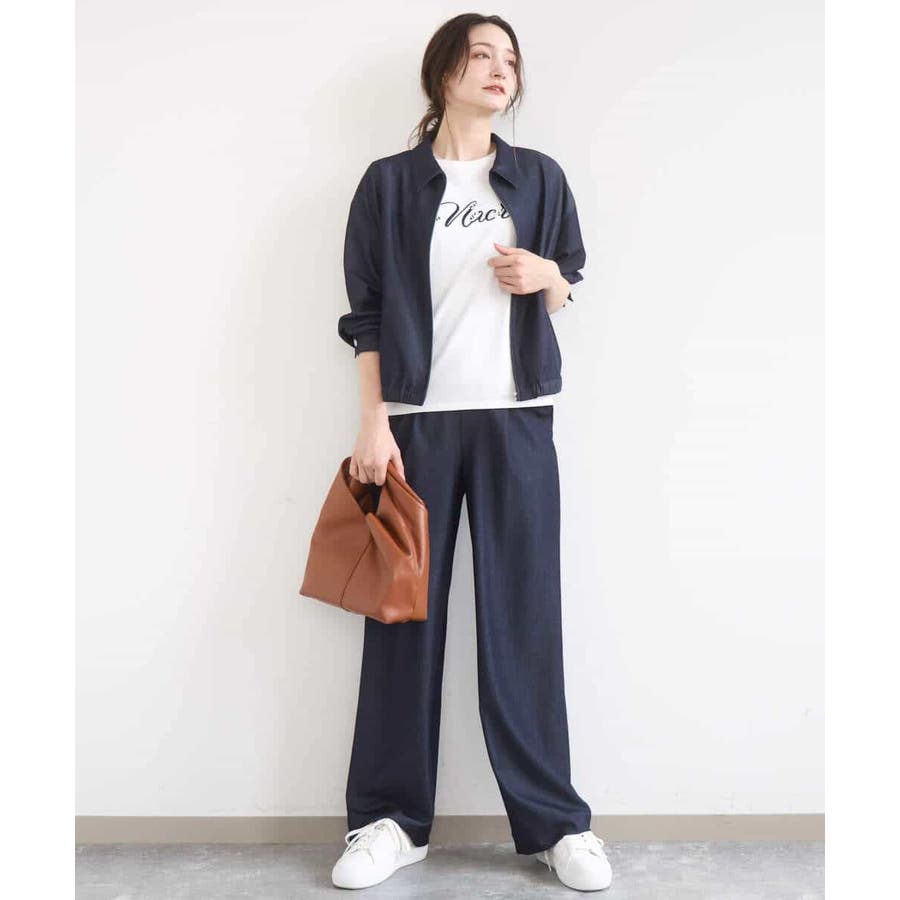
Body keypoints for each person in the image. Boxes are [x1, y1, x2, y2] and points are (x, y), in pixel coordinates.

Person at [330, 14, 613, 893]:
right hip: (416, 425)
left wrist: (548, 278)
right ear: (443, 71)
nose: (501, 70)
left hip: (517, 421)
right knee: (402, 622)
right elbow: (366, 316)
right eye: (483, 54)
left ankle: (557, 824)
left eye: (511, 60)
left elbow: (567, 280)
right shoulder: (389, 184)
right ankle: (389, 821)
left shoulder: (538, 177)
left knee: (524, 619)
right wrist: (374, 422)